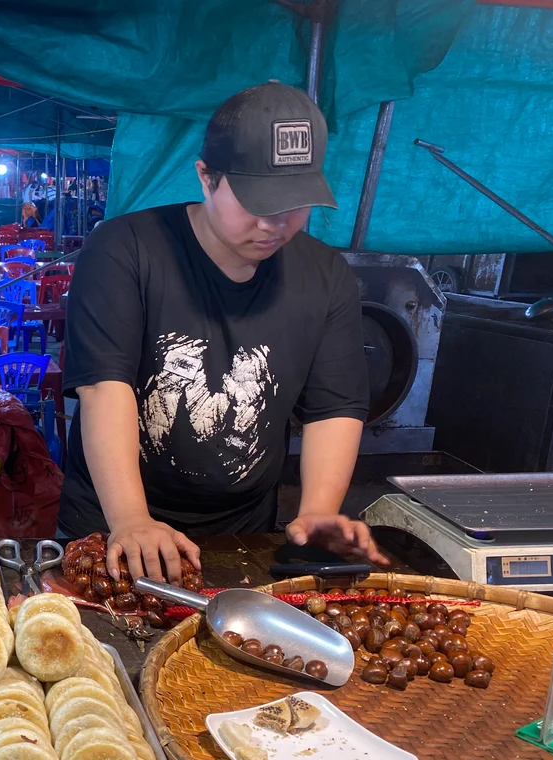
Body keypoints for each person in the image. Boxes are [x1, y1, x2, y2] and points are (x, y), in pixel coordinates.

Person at [60, 82, 387, 586]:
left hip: (242, 535)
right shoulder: (125, 250)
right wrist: (131, 518)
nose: (273, 223)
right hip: (112, 526)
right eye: (255, 200)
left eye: (294, 203)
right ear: (206, 177)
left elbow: (334, 408)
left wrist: (319, 511)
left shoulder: (326, 277)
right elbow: (106, 384)